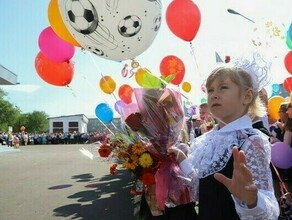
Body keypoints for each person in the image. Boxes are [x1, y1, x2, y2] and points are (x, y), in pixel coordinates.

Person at [169, 66, 279, 219]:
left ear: (247, 96)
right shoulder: (205, 141)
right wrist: (182, 160)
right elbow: (201, 190)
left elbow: (270, 211)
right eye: (210, 90)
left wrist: (252, 200)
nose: (214, 95)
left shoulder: (251, 140)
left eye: (223, 87)